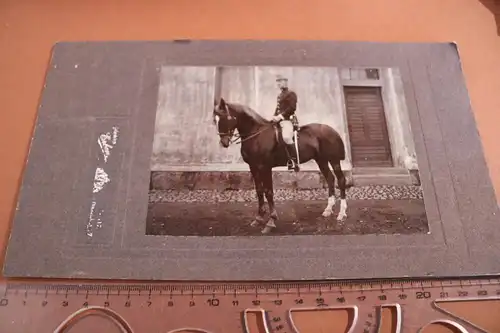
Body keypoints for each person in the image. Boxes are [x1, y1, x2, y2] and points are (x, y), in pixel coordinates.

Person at [271, 74, 300, 172]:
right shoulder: (280, 95)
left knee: (287, 138)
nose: (278, 84)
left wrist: (280, 116)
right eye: (277, 82)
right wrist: (274, 116)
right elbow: (278, 108)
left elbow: (292, 108)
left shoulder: (291, 94)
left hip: (287, 120)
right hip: (279, 120)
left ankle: (294, 161)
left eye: (280, 81)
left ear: (285, 82)